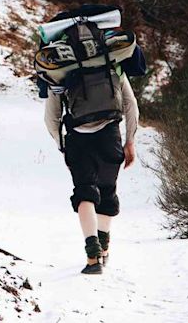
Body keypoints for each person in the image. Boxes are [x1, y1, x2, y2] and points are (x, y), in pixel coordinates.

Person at [44, 71, 139, 274]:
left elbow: (50, 117)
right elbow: (130, 104)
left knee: (85, 192)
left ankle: (92, 256)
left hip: (78, 138)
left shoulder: (60, 68)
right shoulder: (111, 63)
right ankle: (103, 248)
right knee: (107, 189)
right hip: (109, 133)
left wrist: (62, 146)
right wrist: (130, 140)